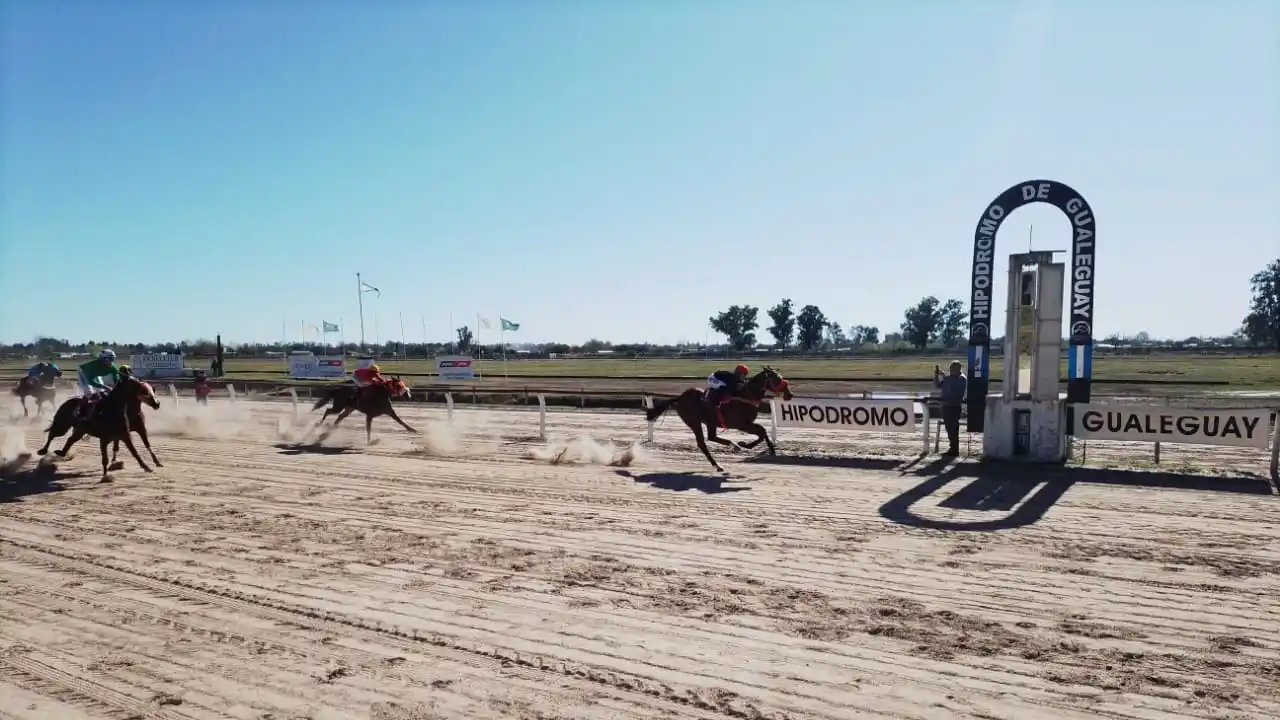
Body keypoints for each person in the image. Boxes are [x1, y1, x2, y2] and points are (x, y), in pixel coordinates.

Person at [75, 349, 122, 420]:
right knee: (89, 392)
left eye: (112, 359)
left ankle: (98, 409)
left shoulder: (112, 367)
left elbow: (116, 379)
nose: (110, 362)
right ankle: (79, 410)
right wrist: (104, 386)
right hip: (83, 372)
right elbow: (91, 381)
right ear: (101, 359)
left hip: (95, 375)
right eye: (108, 359)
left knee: (102, 392)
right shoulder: (93, 366)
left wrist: (116, 387)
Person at [934, 361, 967, 456]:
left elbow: (947, 386)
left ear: (957, 369)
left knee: (952, 429)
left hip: (952, 406)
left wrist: (943, 376)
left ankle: (954, 450)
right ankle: (953, 448)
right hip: (949, 406)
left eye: (952, 369)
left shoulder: (960, 379)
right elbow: (939, 385)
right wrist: (938, 376)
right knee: (950, 429)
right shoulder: (955, 378)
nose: (950, 370)